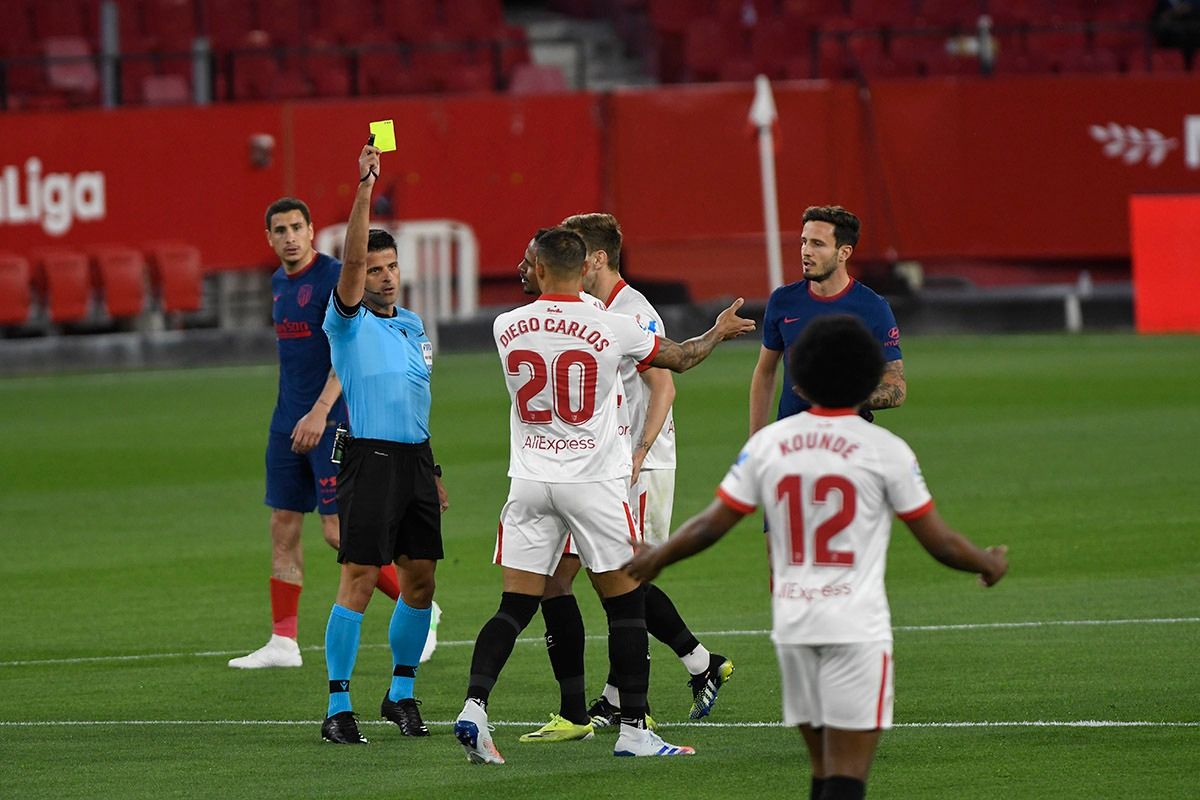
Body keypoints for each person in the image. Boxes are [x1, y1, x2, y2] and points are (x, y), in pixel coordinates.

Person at [624, 315, 1009, 800]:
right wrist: (987, 564)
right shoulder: (885, 450)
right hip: (857, 628)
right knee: (846, 779)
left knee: (822, 772)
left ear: (800, 382)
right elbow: (941, 542)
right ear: (869, 380)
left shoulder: (770, 445)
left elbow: (710, 524)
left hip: (795, 625)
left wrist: (658, 557)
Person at [453, 227, 755, 765]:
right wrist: (717, 332)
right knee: (625, 605)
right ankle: (635, 730)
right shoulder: (613, 326)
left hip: (528, 481)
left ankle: (475, 706)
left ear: (542, 269)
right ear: (581, 267)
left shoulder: (505, 325)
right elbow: (680, 360)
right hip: (592, 482)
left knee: (515, 606)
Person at [564, 212, 733, 724]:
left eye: (577, 252)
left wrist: (640, 452)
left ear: (596, 259)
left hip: (644, 464)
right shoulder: (598, 307)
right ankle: (687, 669)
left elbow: (665, 385)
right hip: (614, 464)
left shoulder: (636, 312)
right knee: (615, 575)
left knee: (627, 575)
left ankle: (634, 697)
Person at [229, 197, 409, 670]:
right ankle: (283, 642)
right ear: (268, 238)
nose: (289, 236)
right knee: (283, 526)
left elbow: (349, 351)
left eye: (296, 227)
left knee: (336, 531)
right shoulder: (277, 283)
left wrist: (320, 411)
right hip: (287, 420)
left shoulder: (333, 278)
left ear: (311, 231)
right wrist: (294, 413)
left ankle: (420, 606)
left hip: (331, 420)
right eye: (279, 230)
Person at [318, 143, 449, 745]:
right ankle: (337, 709)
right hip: (367, 458)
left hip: (415, 460)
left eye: (389, 266)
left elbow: (415, 402)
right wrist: (365, 189)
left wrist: (434, 466)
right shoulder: (347, 320)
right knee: (361, 578)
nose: (383, 275)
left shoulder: (415, 324)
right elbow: (345, 271)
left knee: (420, 578)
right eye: (373, 268)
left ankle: (401, 693)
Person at [749, 205, 905, 437]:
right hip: (793, 441)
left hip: (849, 442)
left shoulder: (873, 307)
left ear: (844, 253)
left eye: (817, 244)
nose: (805, 251)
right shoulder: (783, 301)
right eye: (804, 241)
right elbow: (765, 372)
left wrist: (836, 398)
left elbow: (896, 388)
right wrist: (756, 439)